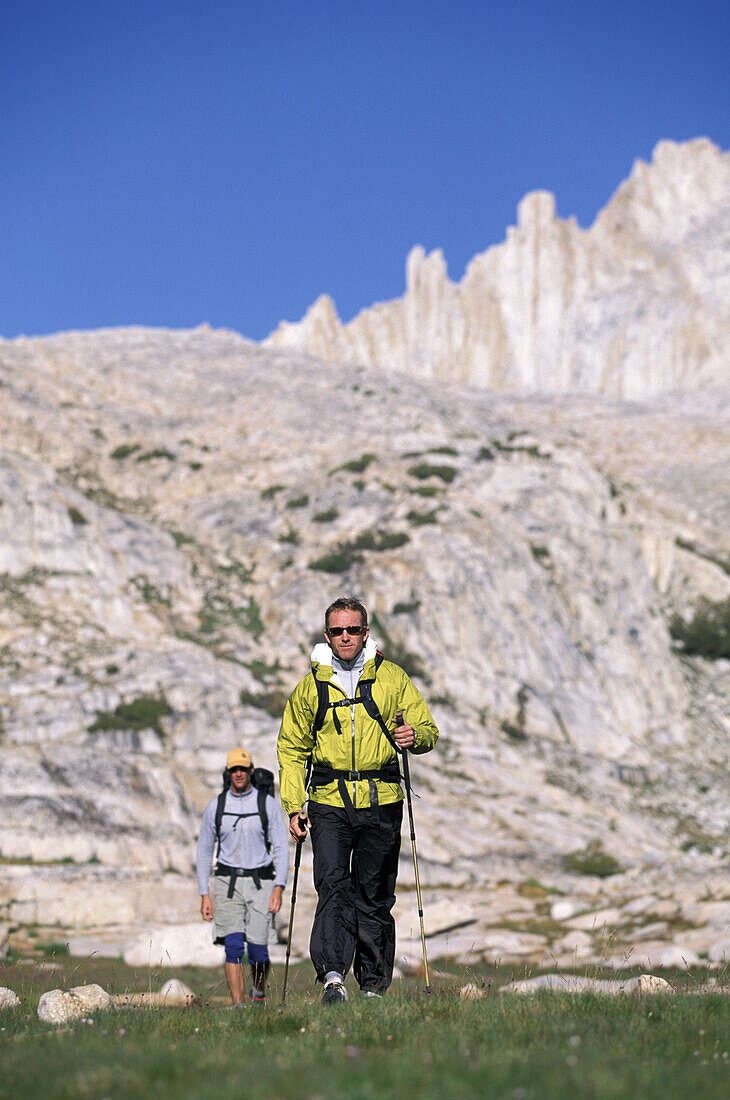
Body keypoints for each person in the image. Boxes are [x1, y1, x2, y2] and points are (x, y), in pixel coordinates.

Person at [277, 596, 438, 1003]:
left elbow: (428, 729)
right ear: (326, 635)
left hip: (382, 799)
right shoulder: (310, 686)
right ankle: (333, 977)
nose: (345, 637)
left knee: (375, 892)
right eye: (337, 631)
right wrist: (294, 806)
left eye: (352, 630)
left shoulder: (393, 678)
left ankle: (372, 986)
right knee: (332, 884)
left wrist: (413, 736)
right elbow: (292, 749)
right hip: (328, 800)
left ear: (366, 632)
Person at [196, 748, 288, 1006]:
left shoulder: (266, 804)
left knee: (259, 951)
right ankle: (238, 1007)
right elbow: (204, 851)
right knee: (233, 947)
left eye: (243, 769)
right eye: (233, 769)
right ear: (228, 773)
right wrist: (205, 894)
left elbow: (280, 847)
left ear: (250, 771)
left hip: (261, 882)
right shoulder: (216, 806)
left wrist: (279, 887)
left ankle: (258, 991)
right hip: (227, 883)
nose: (238, 773)